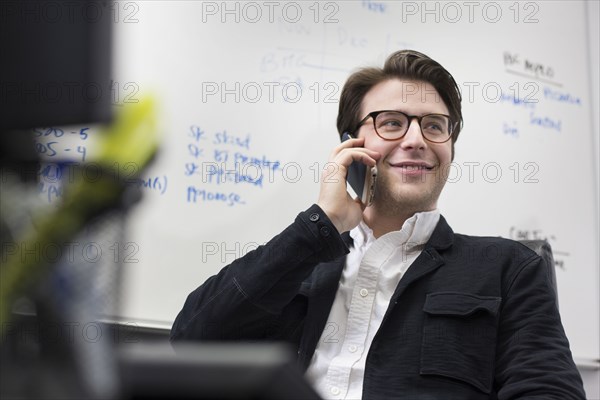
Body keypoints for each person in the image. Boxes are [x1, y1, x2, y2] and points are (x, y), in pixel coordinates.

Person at [170, 50, 586, 399]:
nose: (417, 139)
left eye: (435, 126)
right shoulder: (297, 262)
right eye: (391, 122)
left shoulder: (508, 269)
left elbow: (548, 390)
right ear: (353, 145)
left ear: (449, 150)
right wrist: (323, 224)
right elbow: (193, 341)